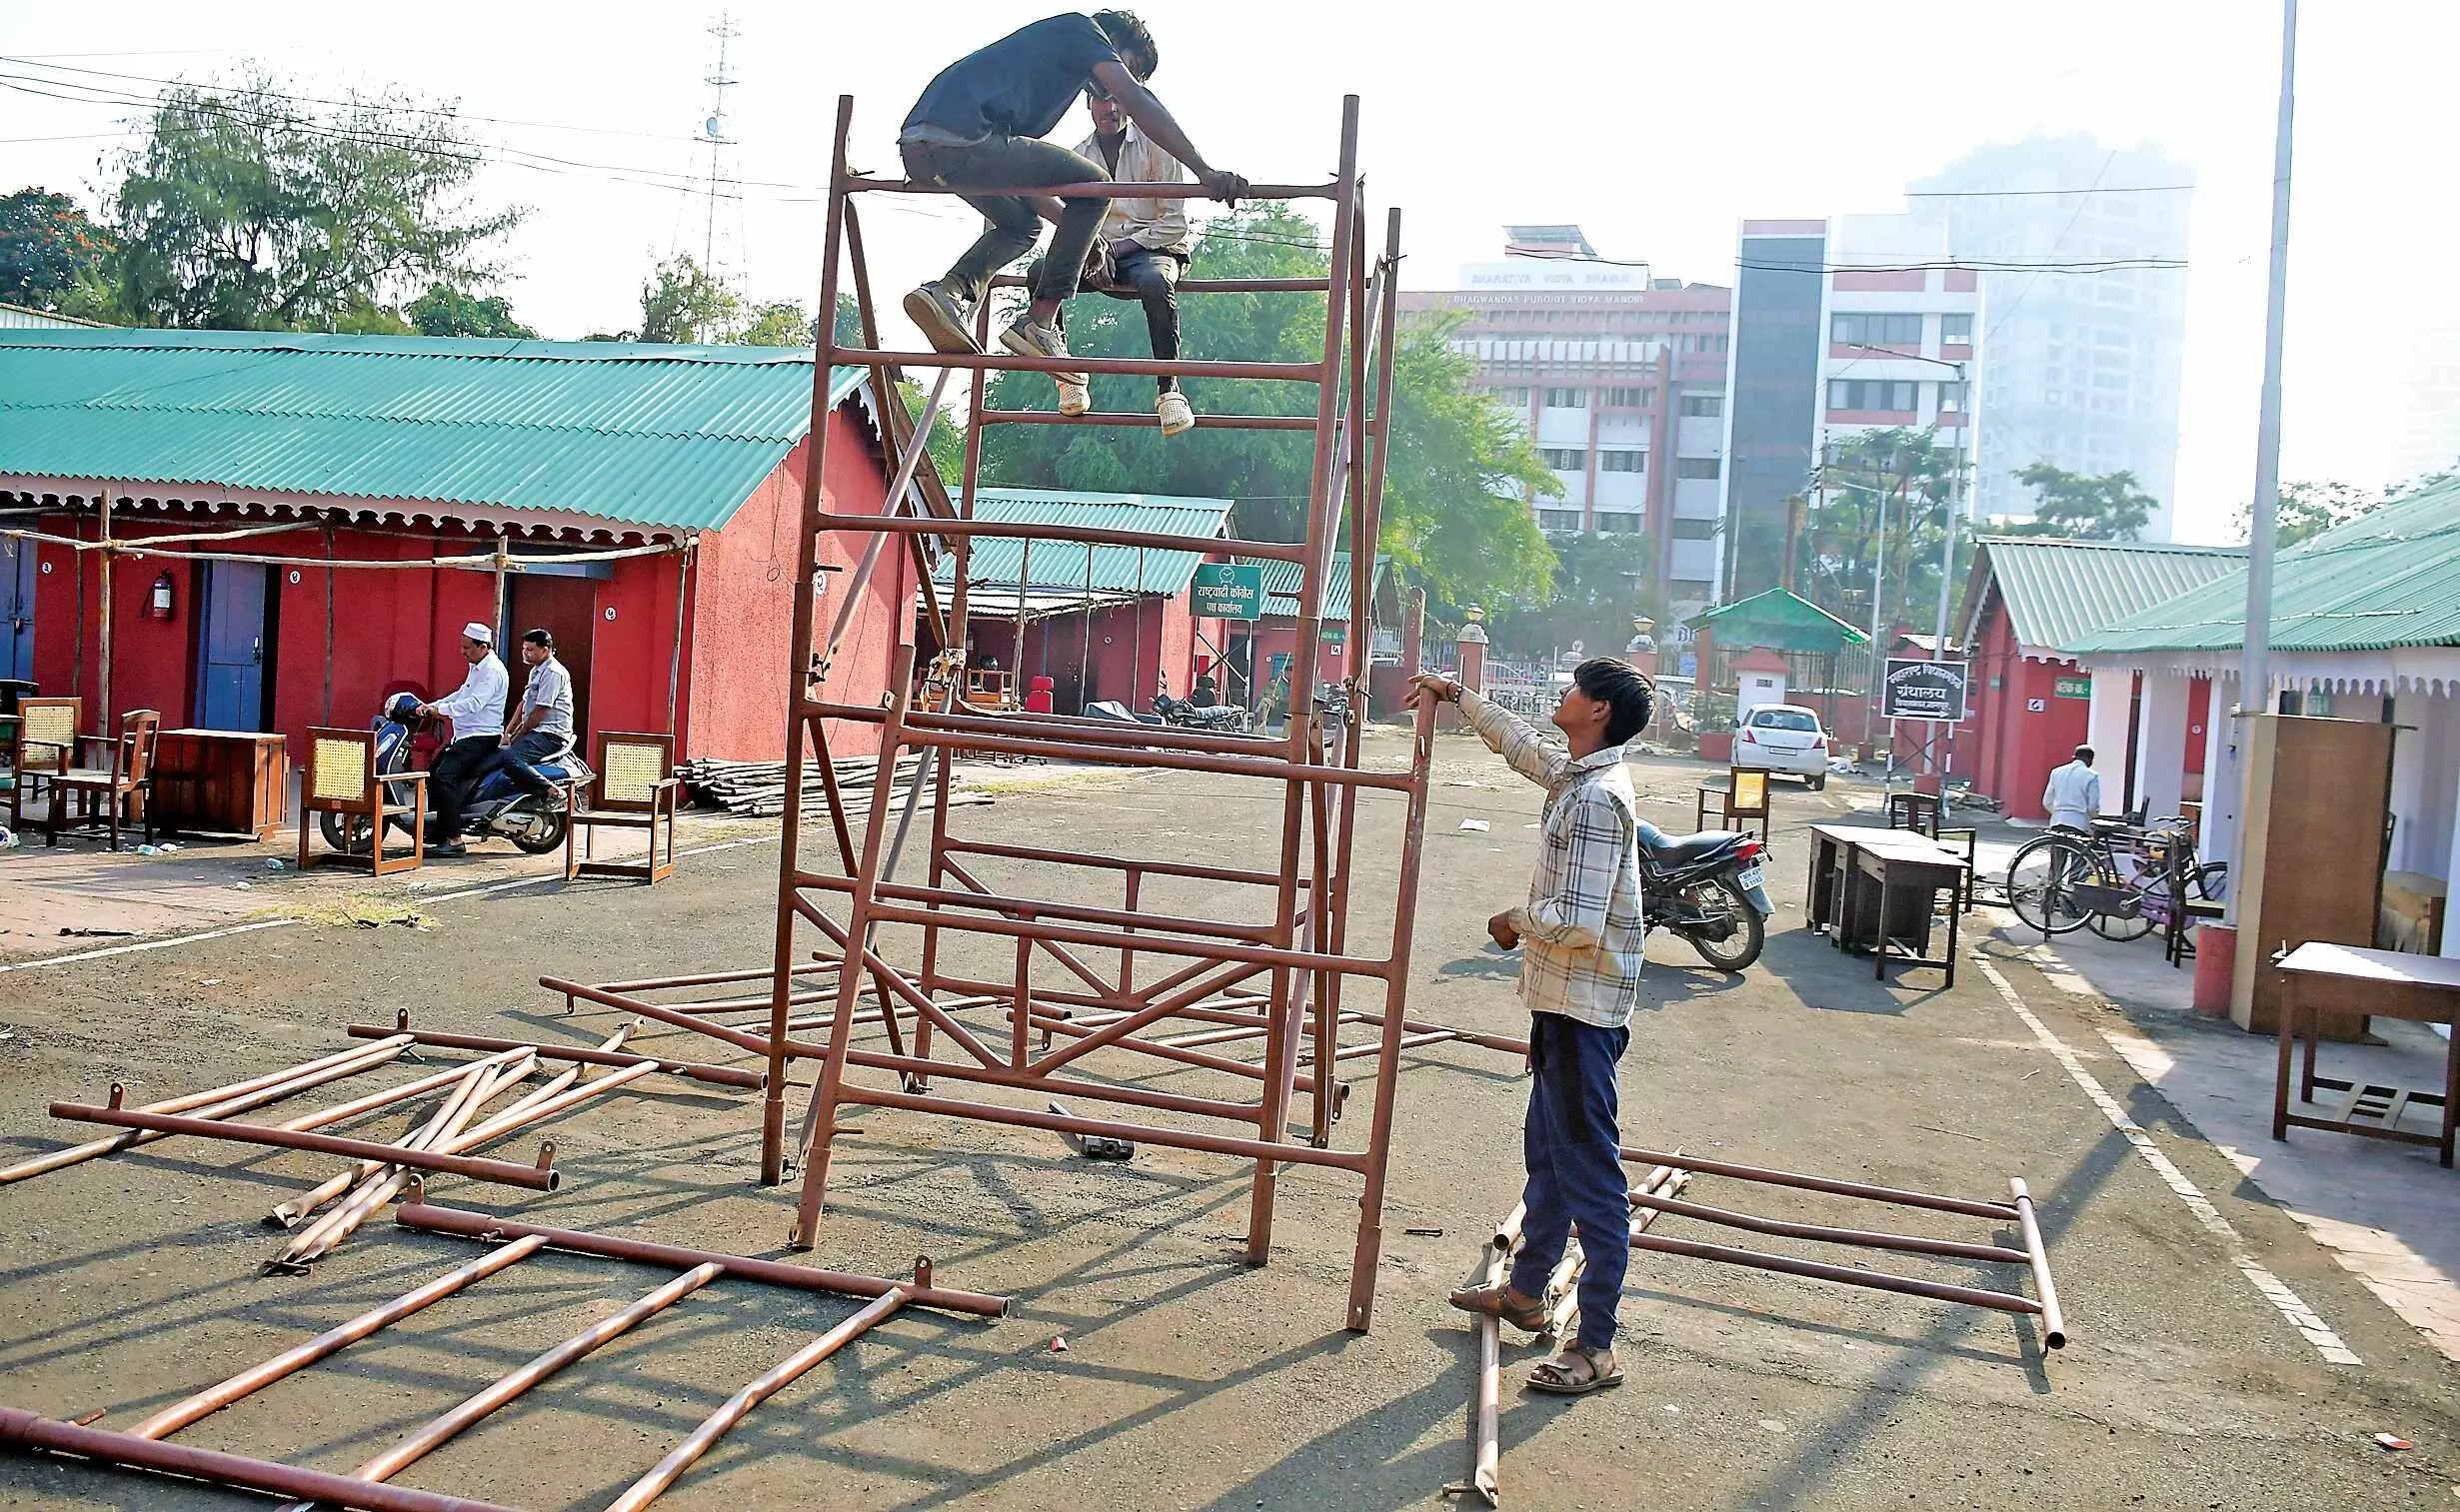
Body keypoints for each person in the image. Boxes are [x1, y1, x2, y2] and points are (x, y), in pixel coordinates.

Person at [1409, 659, 1655, 1398]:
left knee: (1589, 1176)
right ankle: (1523, 1294)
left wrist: (1512, 921)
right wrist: (1459, 698)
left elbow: (1577, 924)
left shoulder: (1594, 800)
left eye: (1575, 688)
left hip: (1581, 1012)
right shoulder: (1578, 776)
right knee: (1549, 1158)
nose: (1562, 695)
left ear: (1600, 710)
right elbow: (1525, 747)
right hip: (1563, 1006)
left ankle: (1595, 1346)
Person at [896, 10, 1245, 416]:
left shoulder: (1052, 73)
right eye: (1125, 69)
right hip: (964, 139)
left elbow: (1027, 190)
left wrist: (1084, 231)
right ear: (1113, 43)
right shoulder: (1083, 31)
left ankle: (949, 292)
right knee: (1097, 187)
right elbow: (1137, 101)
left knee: (1021, 227)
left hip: (924, 146)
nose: (1115, 89)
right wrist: (1204, 171)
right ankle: (1039, 322)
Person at [1020, 80, 1196, 434]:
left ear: (1129, 104)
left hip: (1151, 251)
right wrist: (1090, 251)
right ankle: (1067, 375)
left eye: (1117, 99)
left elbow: (1174, 224)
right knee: (1039, 273)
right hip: (1096, 252)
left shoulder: (1157, 145)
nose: (1110, 108)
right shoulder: (1077, 156)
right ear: (1089, 104)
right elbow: (1055, 208)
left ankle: (1169, 389)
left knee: (1156, 281)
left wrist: (1113, 250)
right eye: (1101, 98)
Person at [418, 623, 510, 857]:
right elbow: (462, 693)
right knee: (431, 774)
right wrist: (434, 705)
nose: (463, 651)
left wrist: (440, 711)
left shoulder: (492, 671)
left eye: (467, 647)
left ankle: (454, 840)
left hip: (481, 736)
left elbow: (474, 703)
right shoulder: (476, 667)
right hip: (465, 735)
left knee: (444, 776)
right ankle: (440, 830)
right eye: (462, 646)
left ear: (483, 647)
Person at [495, 629, 574, 808]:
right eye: (524, 649)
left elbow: (541, 710)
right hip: (537, 731)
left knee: (509, 758)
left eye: (530, 649)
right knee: (497, 754)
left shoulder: (553, 672)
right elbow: (524, 704)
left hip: (550, 734)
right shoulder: (536, 670)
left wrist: (519, 734)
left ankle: (551, 790)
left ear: (545, 650)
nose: (525, 653)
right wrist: (507, 731)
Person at [2043, 745, 2101, 831]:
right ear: (2090, 759)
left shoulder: (2056, 772)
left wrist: (2057, 812)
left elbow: (2047, 802)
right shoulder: (2092, 776)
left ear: (2074, 757)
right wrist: (2093, 817)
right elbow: (2092, 806)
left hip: (2057, 821)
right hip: (2079, 822)